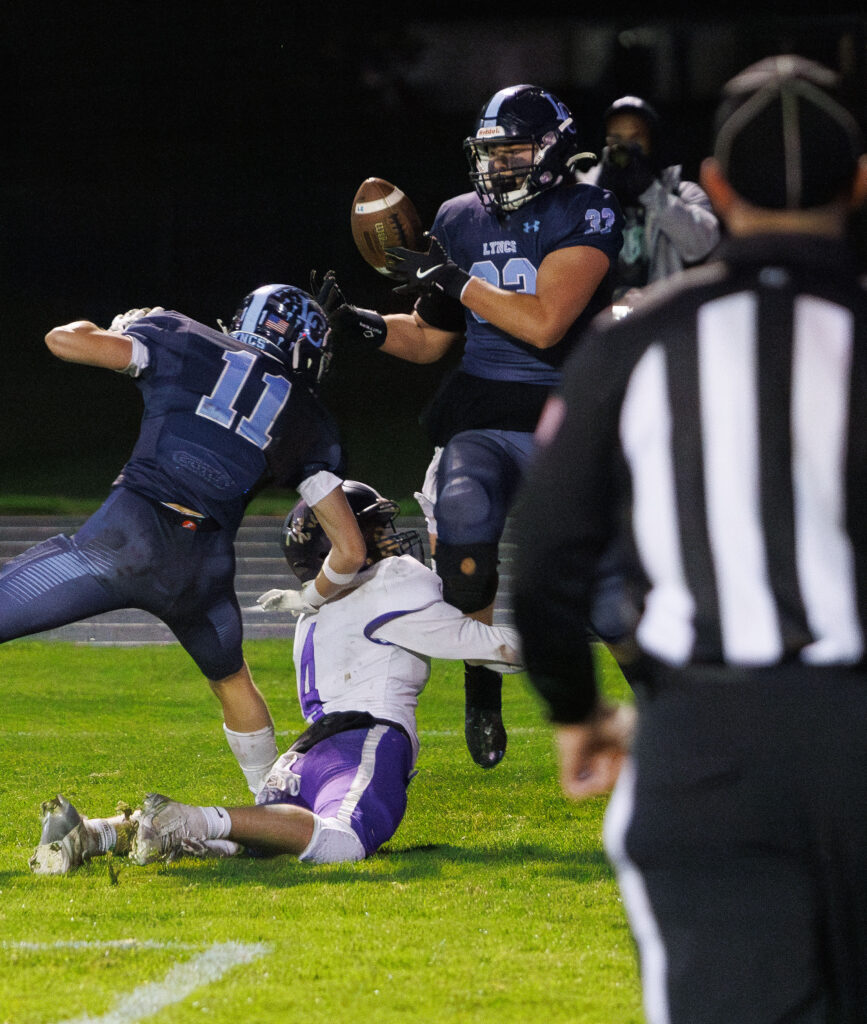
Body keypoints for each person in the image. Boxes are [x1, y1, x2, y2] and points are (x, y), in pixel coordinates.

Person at [512, 55, 867, 1024]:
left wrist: (576, 708)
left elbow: (546, 556)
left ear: (715, 187)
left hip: (710, 740)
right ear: (860, 181)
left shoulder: (635, 340)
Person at [324, 83, 623, 769]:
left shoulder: (588, 206)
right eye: (490, 152)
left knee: (610, 595)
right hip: (484, 410)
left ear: (551, 150)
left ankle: (669, 724)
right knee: (462, 527)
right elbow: (430, 339)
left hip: (570, 412)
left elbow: (546, 323)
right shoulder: (459, 217)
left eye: (513, 149)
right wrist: (363, 327)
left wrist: (454, 279)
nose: (499, 165)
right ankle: (480, 688)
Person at [29, 481, 524, 873]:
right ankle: (183, 817)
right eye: (375, 532)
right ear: (340, 544)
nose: (390, 541)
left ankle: (96, 832)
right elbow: (492, 649)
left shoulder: (311, 613)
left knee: (242, 846)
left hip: (304, 755)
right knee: (342, 844)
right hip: (365, 739)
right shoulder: (390, 586)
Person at [2, 285, 368, 796]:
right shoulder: (311, 420)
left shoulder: (180, 336)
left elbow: (63, 341)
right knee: (231, 679)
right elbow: (350, 550)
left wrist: (119, 330)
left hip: (123, 540)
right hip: (202, 569)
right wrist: (310, 596)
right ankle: (272, 807)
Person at [580, 94, 720, 304]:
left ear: (653, 141)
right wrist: (597, 195)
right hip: (604, 322)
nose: (625, 148)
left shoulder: (681, 192)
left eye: (635, 139)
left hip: (663, 316)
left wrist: (651, 192)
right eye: (616, 140)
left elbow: (704, 244)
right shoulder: (585, 189)